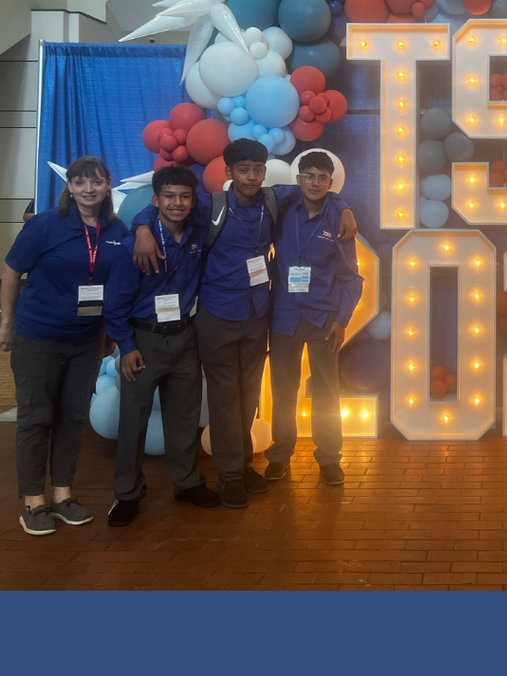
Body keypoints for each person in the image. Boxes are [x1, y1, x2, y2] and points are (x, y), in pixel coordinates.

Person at [132, 139, 356, 509]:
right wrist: (142, 227)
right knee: (224, 396)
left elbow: (320, 189)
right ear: (229, 172)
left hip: (258, 313)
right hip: (220, 312)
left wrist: (344, 206)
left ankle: (247, 463)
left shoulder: (275, 198)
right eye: (243, 170)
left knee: (249, 394)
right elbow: (168, 206)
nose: (251, 177)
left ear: (265, 172)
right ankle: (231, 474)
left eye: (257, 170)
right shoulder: (211, 205)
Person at [0, 157, 129, 535]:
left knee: (73, 417)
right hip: (38, 337)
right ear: (69, 187)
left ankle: (62, 494)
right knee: (36, 418)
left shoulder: (116, 229)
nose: (89, 189)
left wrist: (109, 332)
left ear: (108, 185)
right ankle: (33, 500)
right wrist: (6, 323)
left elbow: (118, 283)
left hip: (87, 341)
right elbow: (10, 271)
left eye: (97, 181)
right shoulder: (45, 226)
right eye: (80, 182)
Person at [103, 167, 220, 526]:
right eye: (169, 196)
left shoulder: (198, 232)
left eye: (185, 196)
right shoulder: (134, 245)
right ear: (155, 200)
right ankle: (127, 493)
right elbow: (115, 303)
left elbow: (214, 206)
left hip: (185, 336)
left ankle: (187, 483)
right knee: (133, 421)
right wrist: (126, 346)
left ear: (193, 200)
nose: (177, 203)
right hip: (143, 341)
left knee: (183, 417)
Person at [263, 152, 362, 486]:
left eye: (322, 177)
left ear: (330, 182)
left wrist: (342, 319)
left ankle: (330, 457)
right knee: (283, 389)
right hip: (284, 315)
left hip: (324, 317)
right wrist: (344, 204)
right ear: (298, 179)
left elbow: (351, 276)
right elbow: (260, 193)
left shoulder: (338, 219)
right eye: (309, 176)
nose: (315, 183)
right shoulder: (282, 209)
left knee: (326, 390)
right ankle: (280, 454)